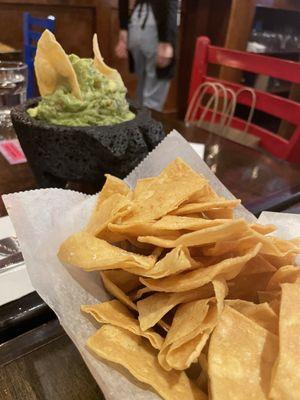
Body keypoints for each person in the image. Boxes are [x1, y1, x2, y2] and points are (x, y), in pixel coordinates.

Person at [116, 0, 178, 111]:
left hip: (135, 22)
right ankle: (146, 126)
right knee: (153, 98)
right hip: (155, 25)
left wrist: (123, 28)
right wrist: (166, 39)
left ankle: (139, 125)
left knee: (142, 86)